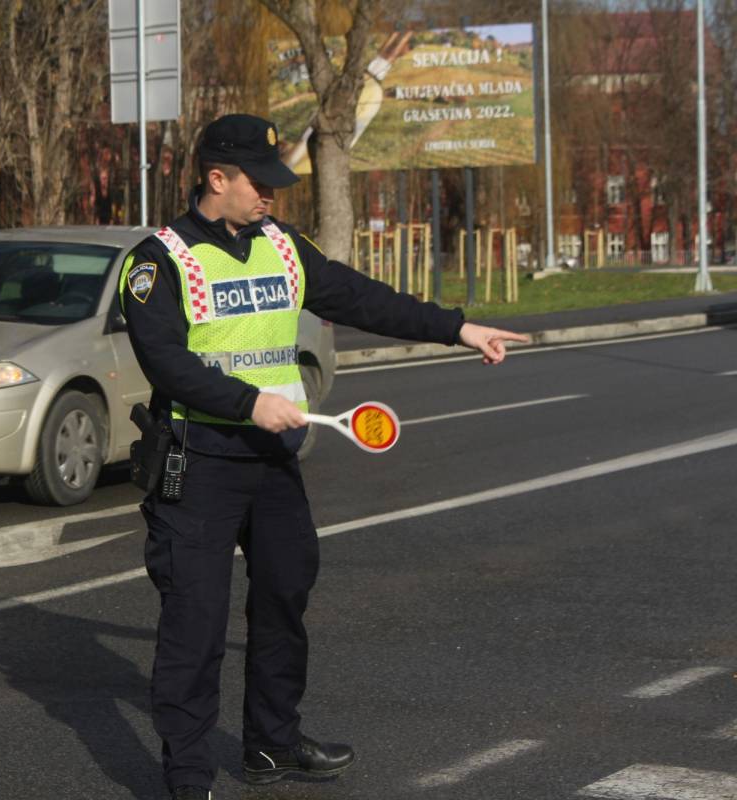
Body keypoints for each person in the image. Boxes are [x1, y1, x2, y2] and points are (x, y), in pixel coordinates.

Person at [118, 113, 529, 800]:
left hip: (272, 461)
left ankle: (272, 747)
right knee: (195, 626)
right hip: (201, 461)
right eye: (260, 182)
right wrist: (248, 402)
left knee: (284, 597)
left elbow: (360, 296)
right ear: (216, 179)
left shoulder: (281, 245)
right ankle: (189, 780)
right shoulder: (158, 261)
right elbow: (165, 362)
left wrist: (456, 327)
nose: (272, 194)